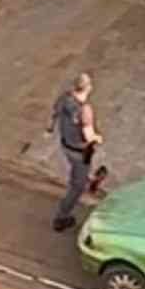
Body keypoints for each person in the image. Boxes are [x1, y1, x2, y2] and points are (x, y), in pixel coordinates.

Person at [48, 71, 100, 232]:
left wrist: (49, 128)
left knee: (80, 169)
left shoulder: (64, 98)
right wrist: (98, 138)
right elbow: (88, 135)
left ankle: (89, 178)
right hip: (79, 151)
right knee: (76, 186)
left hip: (66, 145)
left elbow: (54, 115)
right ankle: (62, 217)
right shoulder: (84, 110)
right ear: (88, 88)